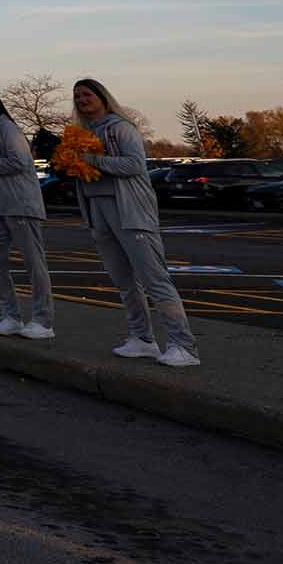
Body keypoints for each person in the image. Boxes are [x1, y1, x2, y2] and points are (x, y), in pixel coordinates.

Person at [73, 79, 198, 367]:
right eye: (77, 96)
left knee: (154, 278)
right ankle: (142, 339)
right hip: (98, 211)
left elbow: (134, 165)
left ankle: (184, 345)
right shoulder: (82, 132)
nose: (82, 100)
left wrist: (91, 160)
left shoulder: (120, 127)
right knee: (124, 281)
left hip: (130, 211)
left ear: (103, 97)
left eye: (87, 94)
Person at [0, 86, 56, 340]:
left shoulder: (6, 127)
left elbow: (20, 162)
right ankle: (11, 315)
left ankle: (43, 320)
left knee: (33, 262)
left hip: (18, 202)